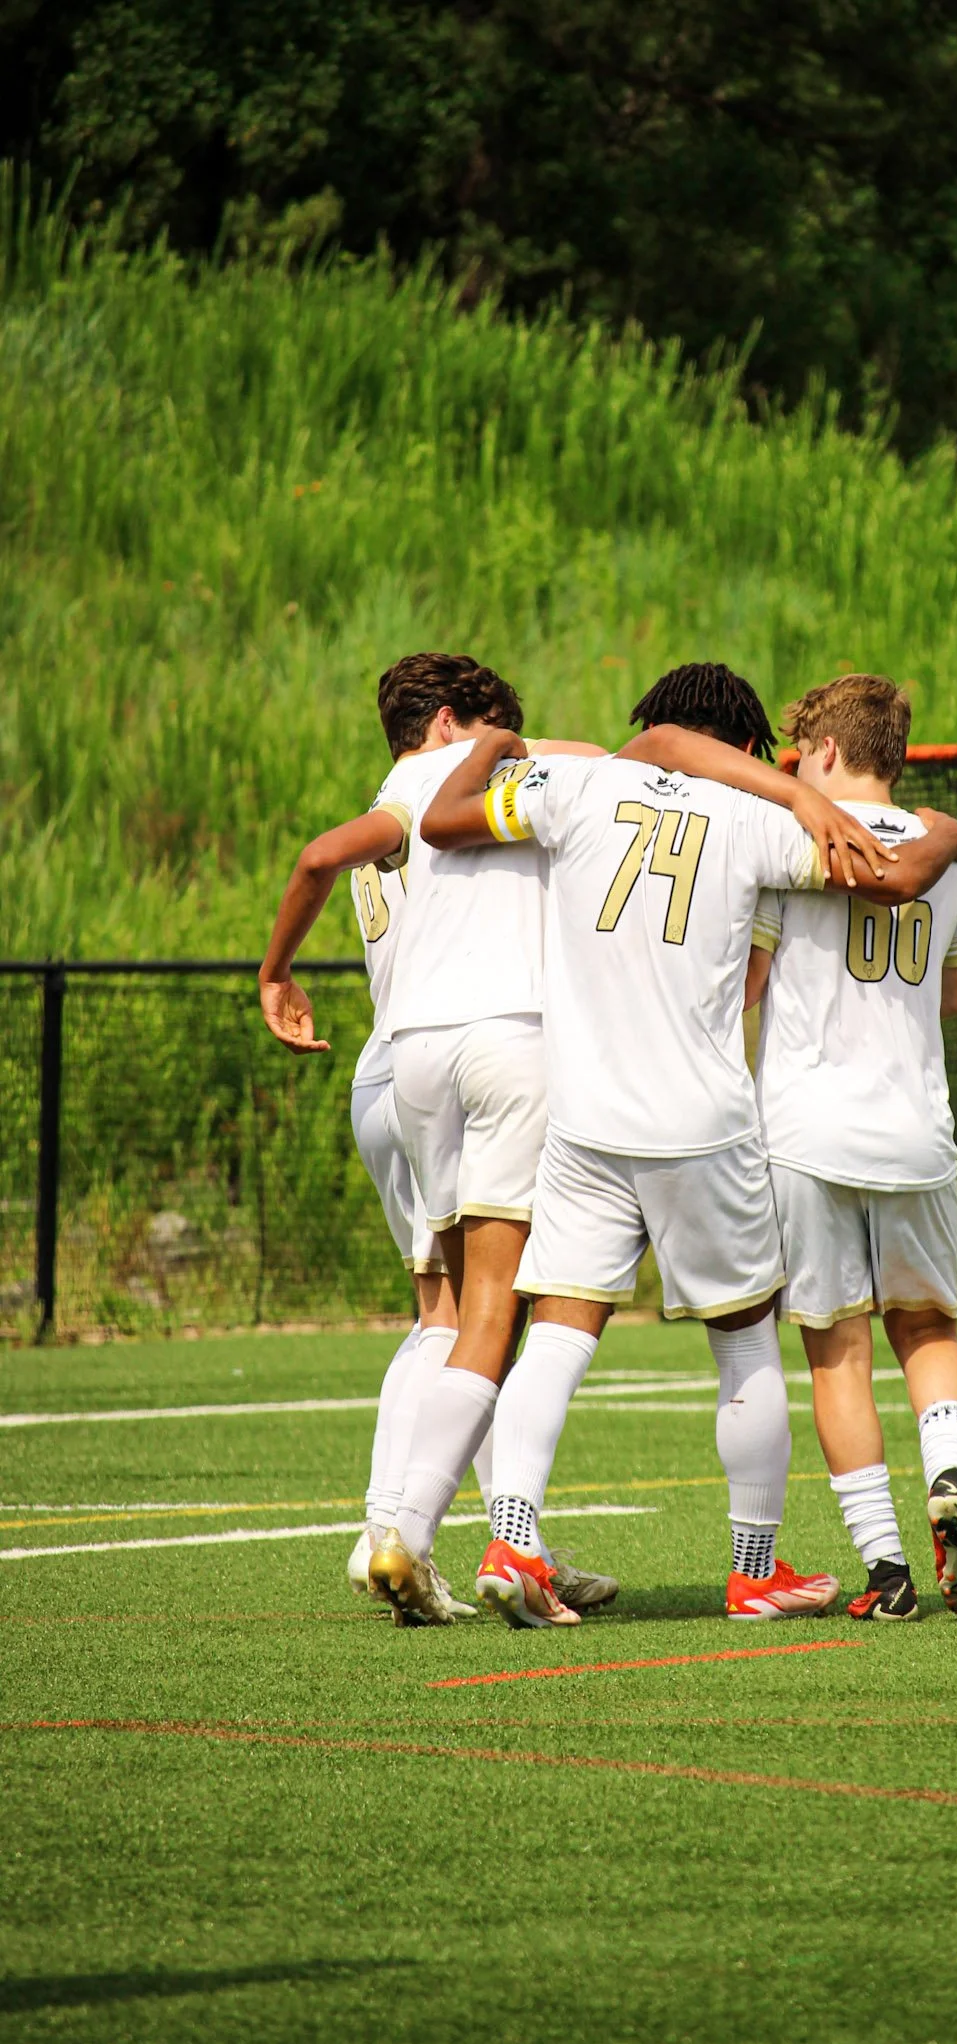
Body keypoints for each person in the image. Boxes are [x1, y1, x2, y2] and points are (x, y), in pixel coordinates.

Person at [419, 661, 957, 1628]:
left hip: (586, 1120)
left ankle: (512, 1536)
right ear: (747, 748)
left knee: (554, 1331)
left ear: (650, 720)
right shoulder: (762, 822)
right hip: (703, 1125)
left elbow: (443, 819)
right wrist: (949, 835)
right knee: (747, 1338)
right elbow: (889, 880)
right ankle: (753, 1568)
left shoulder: (576, 786)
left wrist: (499, 745)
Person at [259, 651, 615, 1624]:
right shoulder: (486, 768)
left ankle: (488, 1532)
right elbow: (600, 763)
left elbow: (325, 855)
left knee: (451, 1311)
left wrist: (275, 971)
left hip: (400, 1054)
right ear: (459, 720)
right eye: (499, 721)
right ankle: (408, 1529)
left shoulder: (391, 790)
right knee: (493, 1314)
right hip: (499, 1041)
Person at [746, 673, 957, 1619]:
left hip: (805, 1134)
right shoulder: (943, 857)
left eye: (800, 754)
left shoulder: (790, 840)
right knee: (927, 1332)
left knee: (836, 1353)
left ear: (831, 755)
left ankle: (886, 1572)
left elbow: (752, 981)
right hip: (914, 1132)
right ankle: (950, 1479)